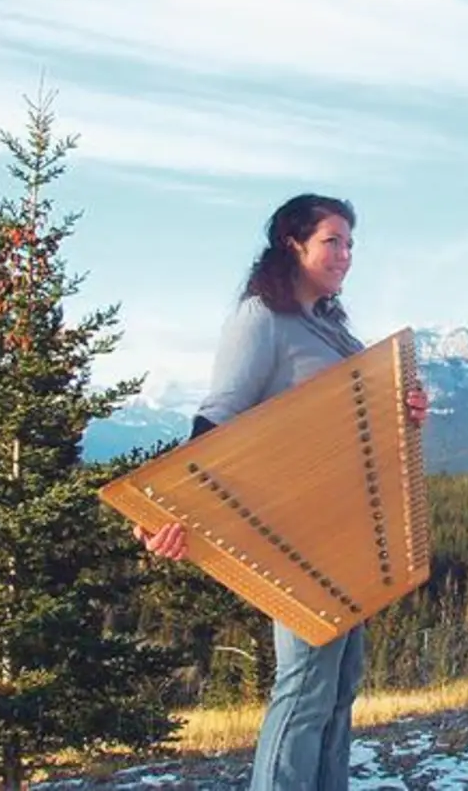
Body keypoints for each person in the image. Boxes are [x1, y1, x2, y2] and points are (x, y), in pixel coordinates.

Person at [134, 192, 428, 791]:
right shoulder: (260, 319)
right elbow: (215, 421)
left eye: (350, 243)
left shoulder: (331, 328)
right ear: (292, 244)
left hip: (344, 530)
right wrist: (167, 510)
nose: (346, 254)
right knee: (304, 689)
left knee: (338, 688)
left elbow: (351, 417)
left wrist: (406, 409)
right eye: (332, 241)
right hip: (293, 536)